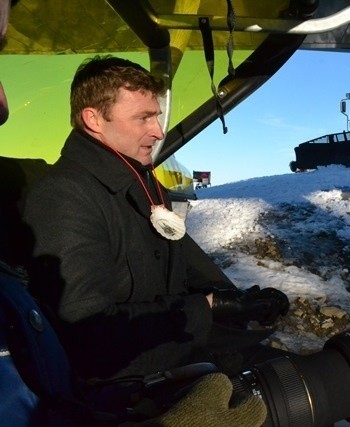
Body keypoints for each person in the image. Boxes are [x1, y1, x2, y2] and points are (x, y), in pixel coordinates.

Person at [22, 55, 290, 415]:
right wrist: (206, 308)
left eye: (156, 116)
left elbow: (182, 262)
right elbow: (87, 334)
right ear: (94, 119)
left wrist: (235, 300)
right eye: (143, 118)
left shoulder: (141, 181)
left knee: (315, 375)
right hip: (125, 389)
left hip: (178, 351)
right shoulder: (64, 196)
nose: (159, 131)